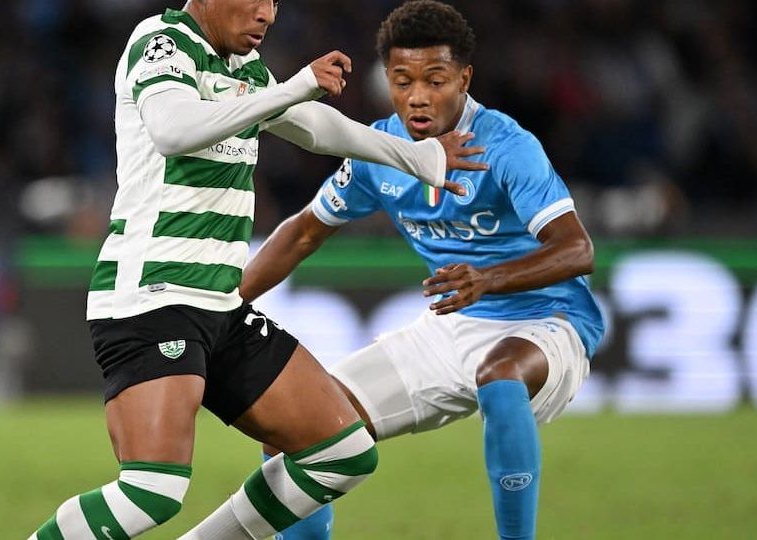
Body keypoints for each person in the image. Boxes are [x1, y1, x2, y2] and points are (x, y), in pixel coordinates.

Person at [26, 1, 487, 539]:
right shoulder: (163, 43)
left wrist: (419, 156)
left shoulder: (242, 68)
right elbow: (173, 130)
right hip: (154, 297)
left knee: (342, 453)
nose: (268, 13)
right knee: (151, 492)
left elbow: (315, 126)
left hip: (221, 304)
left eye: (274, 1)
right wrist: (292, 88)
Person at [241, 2, 605, 539]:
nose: (417, 96)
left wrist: (489, 279)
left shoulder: (507, 147)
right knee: (294, 428)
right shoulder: (379, 149)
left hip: (547, 321)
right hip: (449, 326)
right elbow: (303, 232)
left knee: (500, 376)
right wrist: (226, 302)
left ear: (463, 79)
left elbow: (577, 249)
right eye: (402, 80)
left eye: (435, 80)